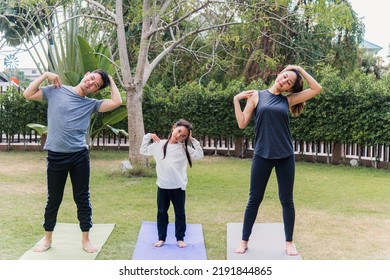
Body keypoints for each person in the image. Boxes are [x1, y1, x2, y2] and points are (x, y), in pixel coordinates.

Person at [23, 69, 122, 253]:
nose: (91, 83)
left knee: (82, 198)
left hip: (79, 157)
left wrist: (111, 80)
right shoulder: (56, 90)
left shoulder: (91, 104)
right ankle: (47, 239)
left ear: (96, 90)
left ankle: (86, 240)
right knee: (53, 199)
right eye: (92, 78)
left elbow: (117, 101)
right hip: (55, 156)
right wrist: (45, 75)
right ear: (87, 74)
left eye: (96, 85)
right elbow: (27, 94)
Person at [233, 65, 322, 256]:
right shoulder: (256, 96)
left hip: (285, 156)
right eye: (284, 77)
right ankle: (244, 241)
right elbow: (242, 124)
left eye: (289, 82)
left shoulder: (288, 100)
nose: (284, 81)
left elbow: (316, 89)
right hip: (262, 155)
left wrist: (299, 69)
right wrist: (236, 100)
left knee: (286, 200)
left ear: (290, 88)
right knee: (254, 199)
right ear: (278, 74)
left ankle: (289, 242)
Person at [139, 119, 204, 248]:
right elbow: (143, 151)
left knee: (180, 213)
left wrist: (192, 140)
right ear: (173, 128)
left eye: (183, 136)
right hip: (163, 187)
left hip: (178, 187)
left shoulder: (184, 148)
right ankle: (161, 238)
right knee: (162, 212)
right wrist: (149, 136)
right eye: (179, 131)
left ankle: (180, 238)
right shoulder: (159, 144)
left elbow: (200, 154)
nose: (179, 135)